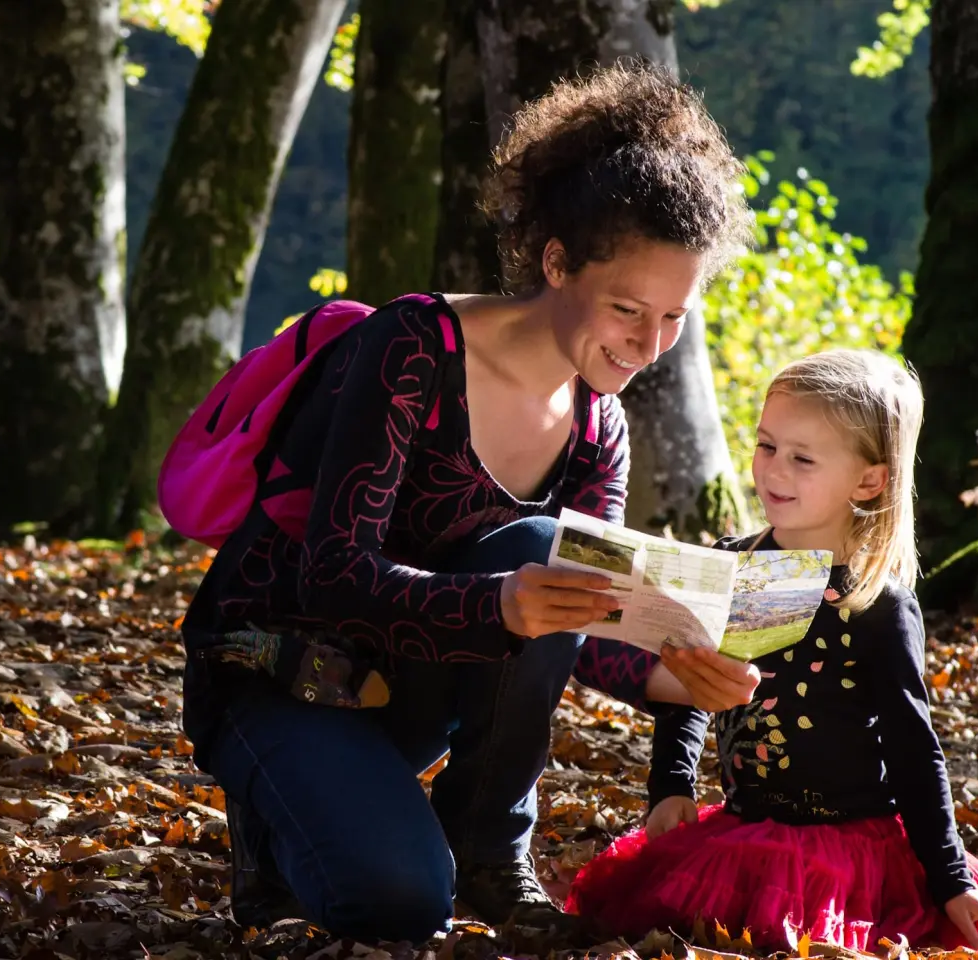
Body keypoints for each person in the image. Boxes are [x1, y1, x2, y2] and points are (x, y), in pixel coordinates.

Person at [177, 61, 760, 942]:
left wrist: (682, 676)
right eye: (627, 309)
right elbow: (333, 574)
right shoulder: (411, 347)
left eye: (674, 318)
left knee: (553, 553)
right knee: (398, 904)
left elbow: (579, 620)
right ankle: (275, 823)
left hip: (407, 696)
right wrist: (498, 603)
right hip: (276, 674)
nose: (649, 345)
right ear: (556, 262)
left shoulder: (599, 428)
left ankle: (489, 854)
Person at [565, 351, 978, 955]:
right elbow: (692, 680)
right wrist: (672, 784)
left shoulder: (874, 604)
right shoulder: (739, 565)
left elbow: (914, 750)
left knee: (792, 940)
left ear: (869, 481)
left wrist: (950, 880)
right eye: (766, 446)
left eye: (802, 458)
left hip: (846, 851)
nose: (773, 469)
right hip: (742, 830)